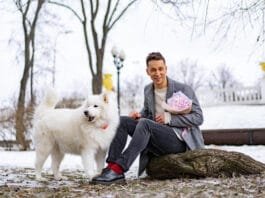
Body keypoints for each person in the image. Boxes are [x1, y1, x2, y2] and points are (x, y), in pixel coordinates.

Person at [91, 52, 204, 185]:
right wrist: (139, 115)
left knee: (145, 124)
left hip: (179, 140)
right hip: (156, 137)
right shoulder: (148, 90)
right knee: (122, 121)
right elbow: (147, 113)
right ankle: (111, 167)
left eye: (160, 69)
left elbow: (198, 117)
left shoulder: (183, 89)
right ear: (147, 72)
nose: (157, 73)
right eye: (153, 70)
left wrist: (169, 119)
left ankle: (119, 168)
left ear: (166, 69)